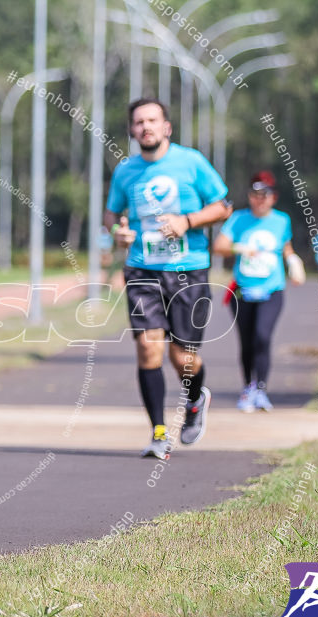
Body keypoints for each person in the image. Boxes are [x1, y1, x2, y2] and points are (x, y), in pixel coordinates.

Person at [105, 97, 232, 459]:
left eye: (152, 120)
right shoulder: (126, 171)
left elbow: (224, 205)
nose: (145, 127)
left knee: (183, 358)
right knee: (148, 348)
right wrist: (118, 231)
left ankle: (195, 400)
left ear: (166, 127)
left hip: (188, 269)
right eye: (139, 122)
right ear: (132, 130)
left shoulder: (190, 162)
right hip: (142, 269)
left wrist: (186, 221)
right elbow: (112, 214)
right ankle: (158, 432)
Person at [214, 171, 305, 412]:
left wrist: (293, 261)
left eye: (265, 195)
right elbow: (219, 247)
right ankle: (248, 388)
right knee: (246, 342)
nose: (260, 200)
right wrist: (239, 248)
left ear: (273, 198)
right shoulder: (238, 219)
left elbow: (285, 247)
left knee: (262, 337)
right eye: (255, 195)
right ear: (250, 197)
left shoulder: (281, 220)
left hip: (272, 289)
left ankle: (262, 389)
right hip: (243, 291)